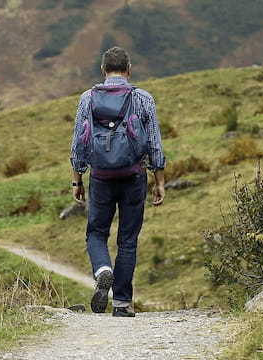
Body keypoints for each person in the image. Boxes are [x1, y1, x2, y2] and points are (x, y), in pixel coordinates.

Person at [70, 46, 166, 317]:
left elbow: (78, 141)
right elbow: (154, 143)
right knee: (128, 239)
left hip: (100, 176)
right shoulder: (143, 98)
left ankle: (103, 270)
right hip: (134, 175)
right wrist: (159, 180)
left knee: (96, 233)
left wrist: (77, 180)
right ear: (129, 69)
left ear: (103, 70)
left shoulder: (87, 98)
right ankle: (122, 303)